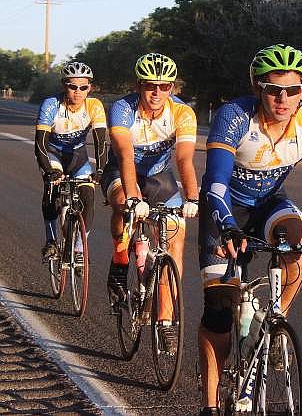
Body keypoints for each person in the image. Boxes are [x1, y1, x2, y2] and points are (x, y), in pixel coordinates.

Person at [197, 44, 302, 415]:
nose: (283, 98)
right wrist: (227, 227)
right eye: (273, 89)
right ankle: (211, 405)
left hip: (268, 204)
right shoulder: (235, 115)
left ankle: (275, 319)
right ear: (257, 87)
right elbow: (215, 181)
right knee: (218, 311)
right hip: (225, 208)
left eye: (292, 90)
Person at [102, 52, 199, 352]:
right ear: (138, 86)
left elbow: (184, 158)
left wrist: (192, 197)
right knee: (122, 203)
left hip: (159, 177)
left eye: (165, 86)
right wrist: (133, 198)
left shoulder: (183, 113)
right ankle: (120, 261)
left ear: (173, 88)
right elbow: (125, 154)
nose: (157, 92)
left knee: (176, 238)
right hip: (122, 170)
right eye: (150, 85)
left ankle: (166, 322)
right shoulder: (122, 109)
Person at [35, 62, 107, 263]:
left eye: (83, 87)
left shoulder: (94, 106)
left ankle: (78, 249)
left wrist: (100, 170)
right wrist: (49, 172)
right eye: (72, 86)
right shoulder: (51, 105)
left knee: (89, 195)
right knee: (51, 189)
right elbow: (40, 144)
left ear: (89, 88)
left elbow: (102, 143)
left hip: (78, 156)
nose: (78, 92)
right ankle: (51, 241)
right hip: (53, 153)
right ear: (64, 86)